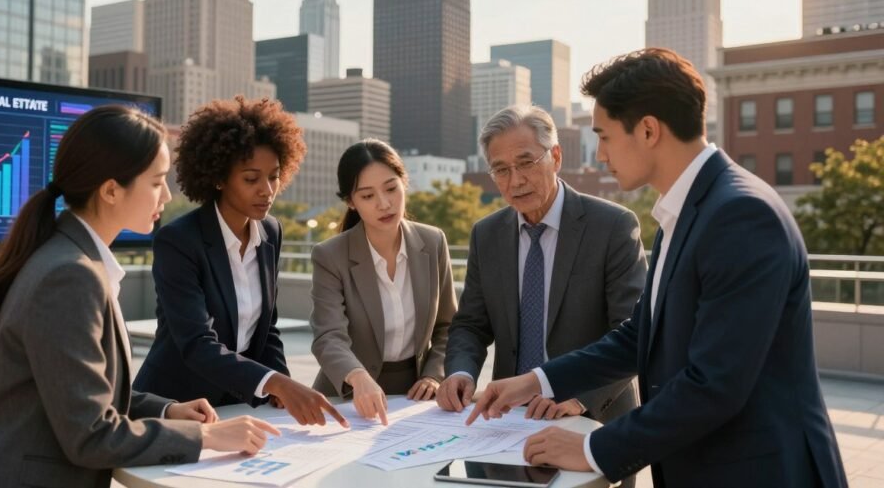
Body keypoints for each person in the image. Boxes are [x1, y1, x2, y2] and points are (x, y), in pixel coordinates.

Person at [468, 48, 847, 488]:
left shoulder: (741, 214)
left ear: (647, 130)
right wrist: (535, 381)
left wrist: (592, 448)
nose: (601, 154)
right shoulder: (681, 213)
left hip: (760, 471)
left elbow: (714, 385)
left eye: (605, 137)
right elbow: (640, 336)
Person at [0, 105, 278, 487]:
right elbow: (89, 434)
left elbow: (78, 394)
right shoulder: (70, 276)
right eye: (156, 182)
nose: (166, 196)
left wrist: (167, 410)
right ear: (110, 190)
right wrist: (206, 437)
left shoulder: (65, 256)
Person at [133, 96, 347, 428]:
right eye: (251, 179)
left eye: (274, 176)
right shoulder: (179, 241)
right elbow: (197, 344)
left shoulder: (271, 232)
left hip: (239, 404)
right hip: (177, 406)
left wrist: (281, 387)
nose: (267, 190)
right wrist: (276, 383)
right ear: (219, 177)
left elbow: (267, 328)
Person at [437, 104, 646, 429]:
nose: (516, 180)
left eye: (526, 163)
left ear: (557, 157)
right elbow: (471, 325)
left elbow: (634, 329)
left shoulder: (612, 226)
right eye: (501, 170)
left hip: (592, 418)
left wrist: (579, 395)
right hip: (506, 419)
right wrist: (460, 373)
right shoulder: (486, 234)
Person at [309, 139, 458, 424]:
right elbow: (329, 337)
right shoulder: (330, 256)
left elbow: (448, 326)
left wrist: (433, 374)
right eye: (367, 196)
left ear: (404, 183)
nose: (384, 204)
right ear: (351, 202)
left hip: (416, 399)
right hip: (347, 399)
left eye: (391, 188)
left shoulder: (433, 241)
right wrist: (358, 377)